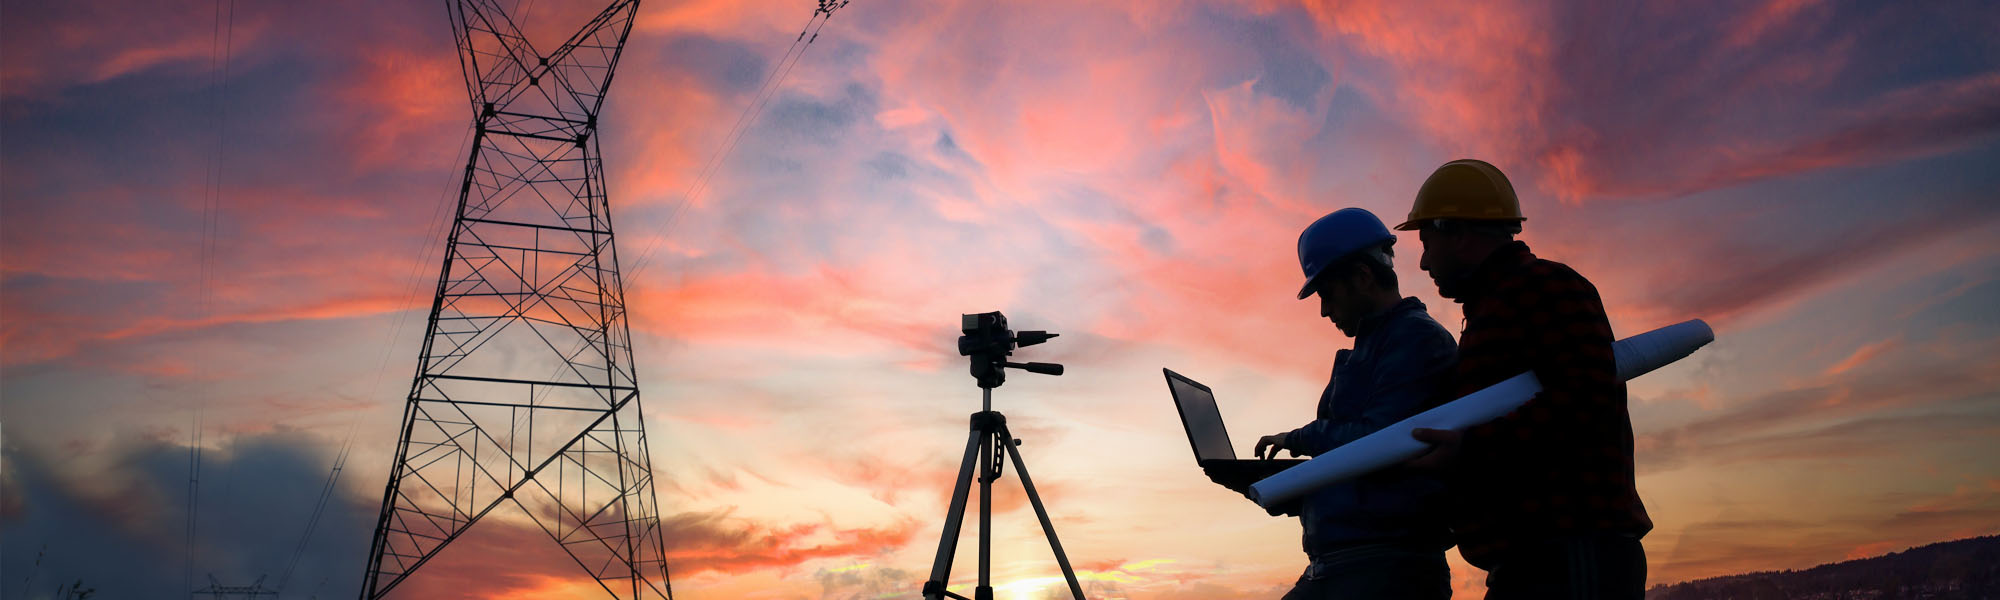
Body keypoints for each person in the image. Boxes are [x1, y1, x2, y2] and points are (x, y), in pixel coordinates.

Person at [1397, 159, 1651, 599]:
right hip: (1534, 562)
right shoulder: (1498, 306)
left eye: (1426, 241)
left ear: (1457, 233)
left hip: (1572, 555)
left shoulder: (1544, 287)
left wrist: (1469, 450)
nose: (1421, 262)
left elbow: (1585, 402)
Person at [1253, 207, 1458, 600]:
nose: (1324, 310)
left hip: (1384, 572)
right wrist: (1285, 491)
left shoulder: (1415, 340)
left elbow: (1380, 443)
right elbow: (1357, 473)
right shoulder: (1377, 346)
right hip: (1347, 568)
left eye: (1327, 293)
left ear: (1362, 277)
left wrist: (1299, 438)